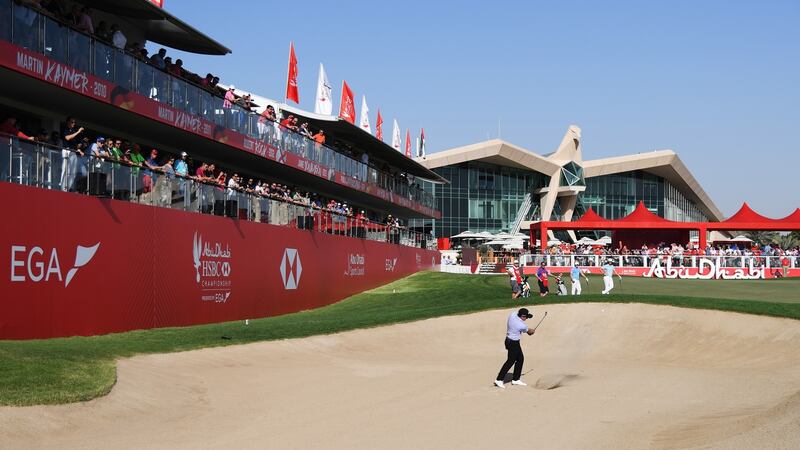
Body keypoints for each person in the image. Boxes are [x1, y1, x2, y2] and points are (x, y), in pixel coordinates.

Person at [494, 308, 536, 388]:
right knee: (510, 361)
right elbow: (529, 332)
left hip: (508, 341)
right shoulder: (521, 325)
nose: (526, 318)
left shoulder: (512, 315)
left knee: (520, 359)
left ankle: (516, 379)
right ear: (522, 316)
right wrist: (532, 331)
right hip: (513, 343)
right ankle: (499, 379)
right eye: (526, 317)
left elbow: (518, 314)